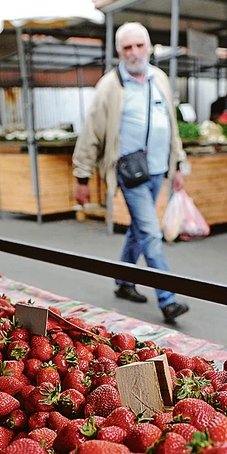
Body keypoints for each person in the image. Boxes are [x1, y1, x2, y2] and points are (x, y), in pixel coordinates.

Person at [72, 22, 189, 324]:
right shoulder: (110, 86)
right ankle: (168, 298)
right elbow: (91, 134)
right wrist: (81, 178)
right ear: (118, 51)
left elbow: (171, 127)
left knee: (139, 228)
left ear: (149, 47)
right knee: (150, 231)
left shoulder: (159, 78)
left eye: (139, 45)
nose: (134, 52)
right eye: (128, 47)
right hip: (130, 172)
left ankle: (124, 281)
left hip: (158, 170)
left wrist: (178, 164)